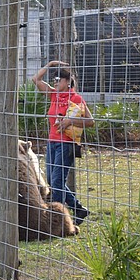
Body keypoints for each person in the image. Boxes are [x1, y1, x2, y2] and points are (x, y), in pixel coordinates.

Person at [31, 61, 94, 225]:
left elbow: (90, 121)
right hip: (52, 142)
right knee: (53, 180)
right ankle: (78, 208)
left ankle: (57, 220)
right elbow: (36, 80)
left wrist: (70, 121)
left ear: (67, 81)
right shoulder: (54, 95)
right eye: (54, 80)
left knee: (58, 181)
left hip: (66, 144)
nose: (55, 82)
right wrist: (50, 64)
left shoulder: (76, 98)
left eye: (58, 79)